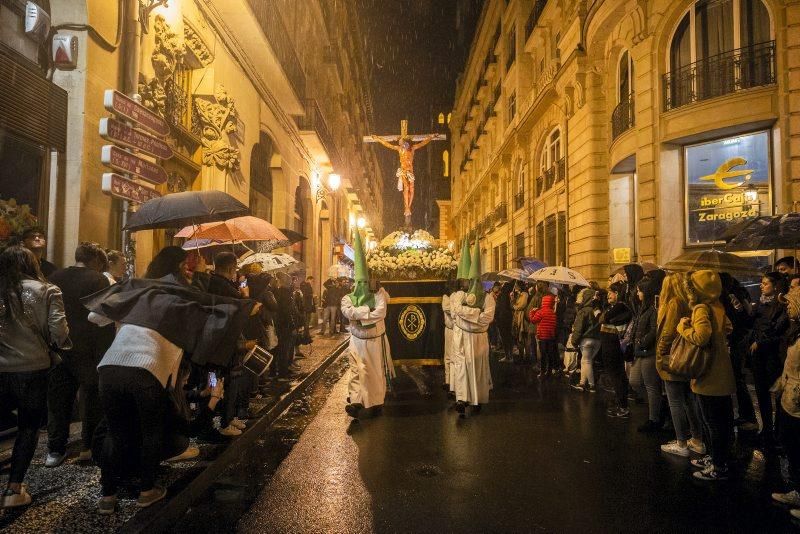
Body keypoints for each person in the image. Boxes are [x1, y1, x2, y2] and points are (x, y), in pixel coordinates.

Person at [83, 247, 254, 513]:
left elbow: (94, 316)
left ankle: (107, 496)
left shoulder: (141, 295)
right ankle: (146, 490)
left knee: (115, 433)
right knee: (152, 431)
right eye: (186, 268)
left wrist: (130, 296)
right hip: (145, 370)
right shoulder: (182, 305)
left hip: (109, 367)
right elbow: (213, 328)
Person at [0, 246, 70, 508]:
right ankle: (13, 489)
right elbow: (59, 332)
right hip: (33, 369)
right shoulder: (48, 290)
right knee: (28, 428)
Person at [46, 242, 114, 467]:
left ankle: (55, 450)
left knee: (58, 401)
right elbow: (102, 317)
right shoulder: (98, 280)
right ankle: (88, 447)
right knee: (91, 398)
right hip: (89, 348)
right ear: (95, 260)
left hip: (60, 348)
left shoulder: (55, 277)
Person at [677, 270, 735, 481]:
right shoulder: (718, 305)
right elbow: (729, 327)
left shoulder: (701, 307)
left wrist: (684, 326)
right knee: (722, 420)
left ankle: (718, 465)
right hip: (722, 368)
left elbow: (701, 338)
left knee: (712, 421)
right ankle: (718, 459)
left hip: (708, 372)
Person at [340, 230, 394, 418]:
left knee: (372, 373)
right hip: (356, 340)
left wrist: (359, 314)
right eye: (359, 282)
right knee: (355, 371)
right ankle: (355, 402)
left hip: (374, 341)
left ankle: (376, 402)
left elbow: (380, 312)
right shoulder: (347, 297)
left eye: (365, 281)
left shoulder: (379, 293)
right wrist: (366, 312)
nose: (362, 285)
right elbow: (347, 311)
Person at [656, 272, 706, 458]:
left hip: (674, 356)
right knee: (688, 400)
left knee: (675, 401)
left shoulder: (674, 303)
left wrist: (661, 351)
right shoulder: (687, 302)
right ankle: (697, 440)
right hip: (686, 355)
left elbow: (668, 332)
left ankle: (681, 443)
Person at [450, 240, 495, 416]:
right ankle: (462, 399)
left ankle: (477, 400)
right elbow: (456, 311)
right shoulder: (459, 296)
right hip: (462, 338)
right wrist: (476, 313)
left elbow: (488, 318)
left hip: (479, 340)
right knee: (462, 368)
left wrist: (468, 314)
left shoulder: (488, 298)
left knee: (477, 370)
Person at [747, 272, 789, 444]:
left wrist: (761, 342)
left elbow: (780, 333)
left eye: (765, 283)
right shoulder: (759, 306)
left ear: (776, 286)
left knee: (778, 393)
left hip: (773, 356)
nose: (761, 286)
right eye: (761, 283)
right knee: (761, 392)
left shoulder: (782, 307)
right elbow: (750, 323)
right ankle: (766, 428)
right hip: (758, 356)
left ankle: (779, 431)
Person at [771, 287, 800, 519]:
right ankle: (797, 491)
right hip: (789, 396)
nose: (787, 305)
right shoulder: (795, 330)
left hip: (797, 398)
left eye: (791, 302)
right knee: (791, 444)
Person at [719, 273, 758, 431]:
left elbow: (739, 320)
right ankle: (744, 415)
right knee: (735, 379)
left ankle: (747, 416)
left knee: (736, 379)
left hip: (735, 341)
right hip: (738, 339)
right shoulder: (737, 293)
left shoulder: (732, 296)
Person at [629, 277, 663, 432]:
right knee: (635, 381)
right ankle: (656, 408)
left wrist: (642, 341)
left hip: (648, 351)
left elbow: (654, 330)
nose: (637, 293)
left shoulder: (653, 309)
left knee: (651, 386)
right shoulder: (642, 307)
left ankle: (654, 418)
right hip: (639, 351)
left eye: (639, 290)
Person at [599, 282, 632, 418]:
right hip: (611, 345)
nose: (608, 295)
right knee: (618, 376)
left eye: (611, 292)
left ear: (617, 293)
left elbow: (601, 318)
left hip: (613, 346)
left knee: (617, 376)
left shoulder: (620, 306)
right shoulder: (615, 306)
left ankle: (623, 406)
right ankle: (621, 403)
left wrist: (597, 309)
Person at [570, 288, 600, 392]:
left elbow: (578, 328)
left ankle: (591, 385)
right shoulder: (597, 310)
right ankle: (583, 383)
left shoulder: (583, 311)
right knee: (587, 361)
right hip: (597, 340)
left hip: (586, 339)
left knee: (586, 361)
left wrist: (574, 341)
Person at [530, 292, 558, 378]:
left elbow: (533, 320)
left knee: (543, 355)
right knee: (550, 354)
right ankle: (549, 371)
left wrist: (532, 312)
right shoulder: (553, 313)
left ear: (543, 302)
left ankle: (542, 372)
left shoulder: (540, 312)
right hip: (550, 337)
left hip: (542, 337)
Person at [495, 283, 515, 363]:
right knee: (509, 337)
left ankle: (508, 356)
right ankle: (510, 355)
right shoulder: (510, 296)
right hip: (508, 318)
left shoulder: (502, 296)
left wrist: (496, 317)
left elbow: (498, 308)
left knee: (505, 338)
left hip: (502, 319)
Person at [511, 282, 529, 361]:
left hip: (522, 318)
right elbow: (514, 304)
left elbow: (521, 306)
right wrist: (512, 298)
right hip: (517, 317)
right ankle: (521, 355)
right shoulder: (518, 295)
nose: (515, 287)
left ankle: (527, 356)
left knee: (523, 337)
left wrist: (514, 306)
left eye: (516, 286)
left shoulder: (525, 294)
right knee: (518, 336)